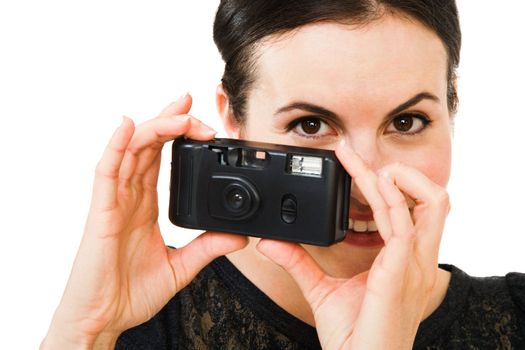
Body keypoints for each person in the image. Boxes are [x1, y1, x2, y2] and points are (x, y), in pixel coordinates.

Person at [41, 1, 525, 349]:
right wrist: (86, 332)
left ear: (452, 107)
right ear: (232, 119)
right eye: (310, 125)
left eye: (406, 122)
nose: (366, 185)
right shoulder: (134, 322)